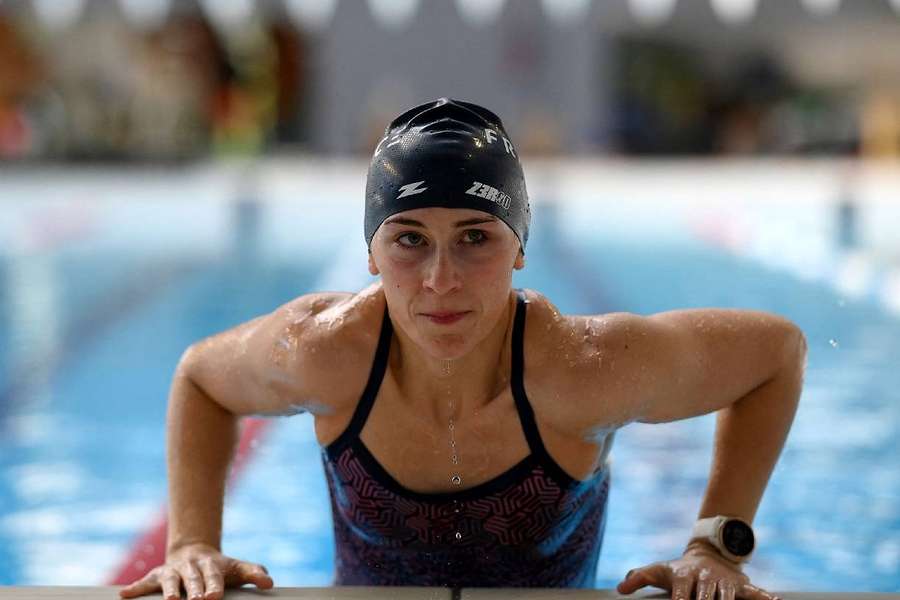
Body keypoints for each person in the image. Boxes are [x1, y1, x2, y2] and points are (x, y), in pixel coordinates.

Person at [119, 98, 805, 600]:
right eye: (409, 238)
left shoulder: (583, 370)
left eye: (476, 236)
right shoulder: (327, 352)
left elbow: (777, 354)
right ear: (370, 252)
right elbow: (201, 378)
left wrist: (715, 544)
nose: (440, 281)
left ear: (521, 248)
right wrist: (192, 543)